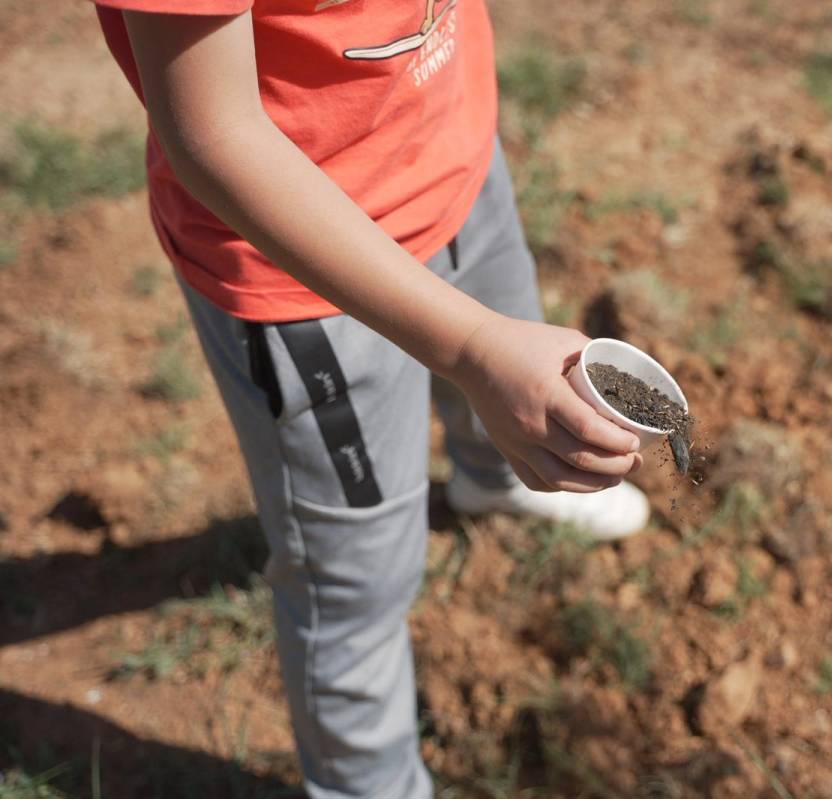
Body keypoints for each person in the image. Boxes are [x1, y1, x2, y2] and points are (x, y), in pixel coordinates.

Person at [91, 2, 651, 796]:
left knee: (510, 352)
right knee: (350, 584)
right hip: (305, 277)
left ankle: (488, 480)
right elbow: (212, 135)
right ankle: (368, 783)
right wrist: (471, 347)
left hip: (455, 156)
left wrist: (487, 346)